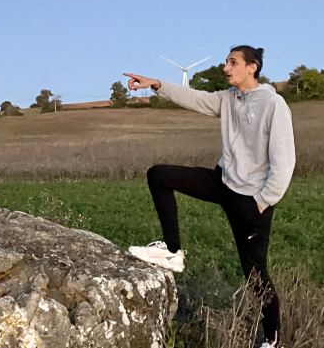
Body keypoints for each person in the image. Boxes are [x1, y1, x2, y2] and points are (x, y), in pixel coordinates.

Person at [123, 46, 295, 348]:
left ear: (251, 67)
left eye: (233, 63)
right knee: (159, 175)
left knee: (255, 273)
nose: (225, 68)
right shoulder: (228, 98)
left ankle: (272, 340)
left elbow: (284, 161)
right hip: (222, 182)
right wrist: (157, 84)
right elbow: (196, 98)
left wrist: (264, 201)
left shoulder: (273, 104)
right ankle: (172, 251)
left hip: (251, 201)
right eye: (226, 62)